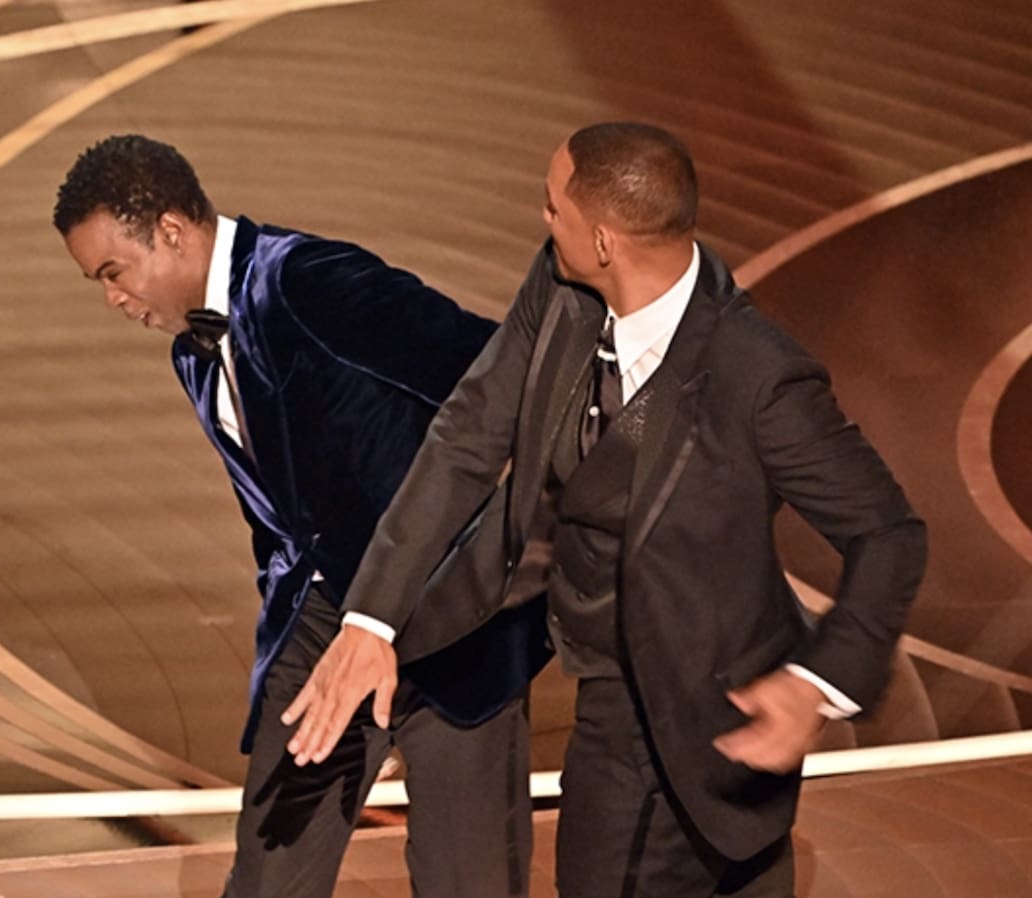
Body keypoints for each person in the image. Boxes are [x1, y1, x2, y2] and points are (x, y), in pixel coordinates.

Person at [283, 122, 928, 896]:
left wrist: (816, 683)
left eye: (552, 206)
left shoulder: (758, 376)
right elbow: (468, 436)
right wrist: (372, 620)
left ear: (602, 241)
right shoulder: (559, 286)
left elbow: (889, 533)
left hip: (719, 703)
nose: (542, 218)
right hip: (611, 687)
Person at [52, 134, 550, 898]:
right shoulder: (192, 354)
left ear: (172, 232)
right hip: (321, 625)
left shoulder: (310, 283)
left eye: (113, 272)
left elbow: (495, 375)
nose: (113, 298)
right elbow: (280, 515)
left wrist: (520, 549)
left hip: (451, 618)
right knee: (269, 879)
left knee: (468, 883)